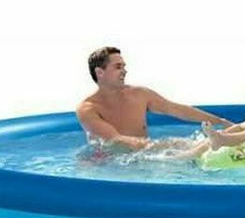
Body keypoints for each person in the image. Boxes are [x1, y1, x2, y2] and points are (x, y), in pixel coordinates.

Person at [76, 47, 233, 152]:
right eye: (118, 67)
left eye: (124, 66)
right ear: (100, 72)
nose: (124, 71)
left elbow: (176, 109)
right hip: (112, 164)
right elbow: (116, 140)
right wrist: (170, 146)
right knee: (193, 150)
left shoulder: (139, 94)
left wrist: (219, 121)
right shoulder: (88, 108)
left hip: (144, 155)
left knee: (203, 148)